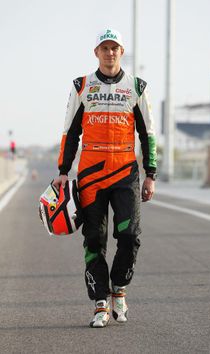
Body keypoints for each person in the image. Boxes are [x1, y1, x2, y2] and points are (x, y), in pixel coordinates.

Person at [53, 28, 157, 328]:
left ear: (121, 51)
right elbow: (70, 132)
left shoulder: (136, 86)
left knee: (129, 237)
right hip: (91, 176)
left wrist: (151, 174)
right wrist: (63, 171)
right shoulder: (82, 86)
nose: (110, 53)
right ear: (96, 52)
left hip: (125, 173)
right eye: (104, 48)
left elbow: (147, 134)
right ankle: (100, 303)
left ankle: (119, 289)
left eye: (115, 48)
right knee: (94, 240)